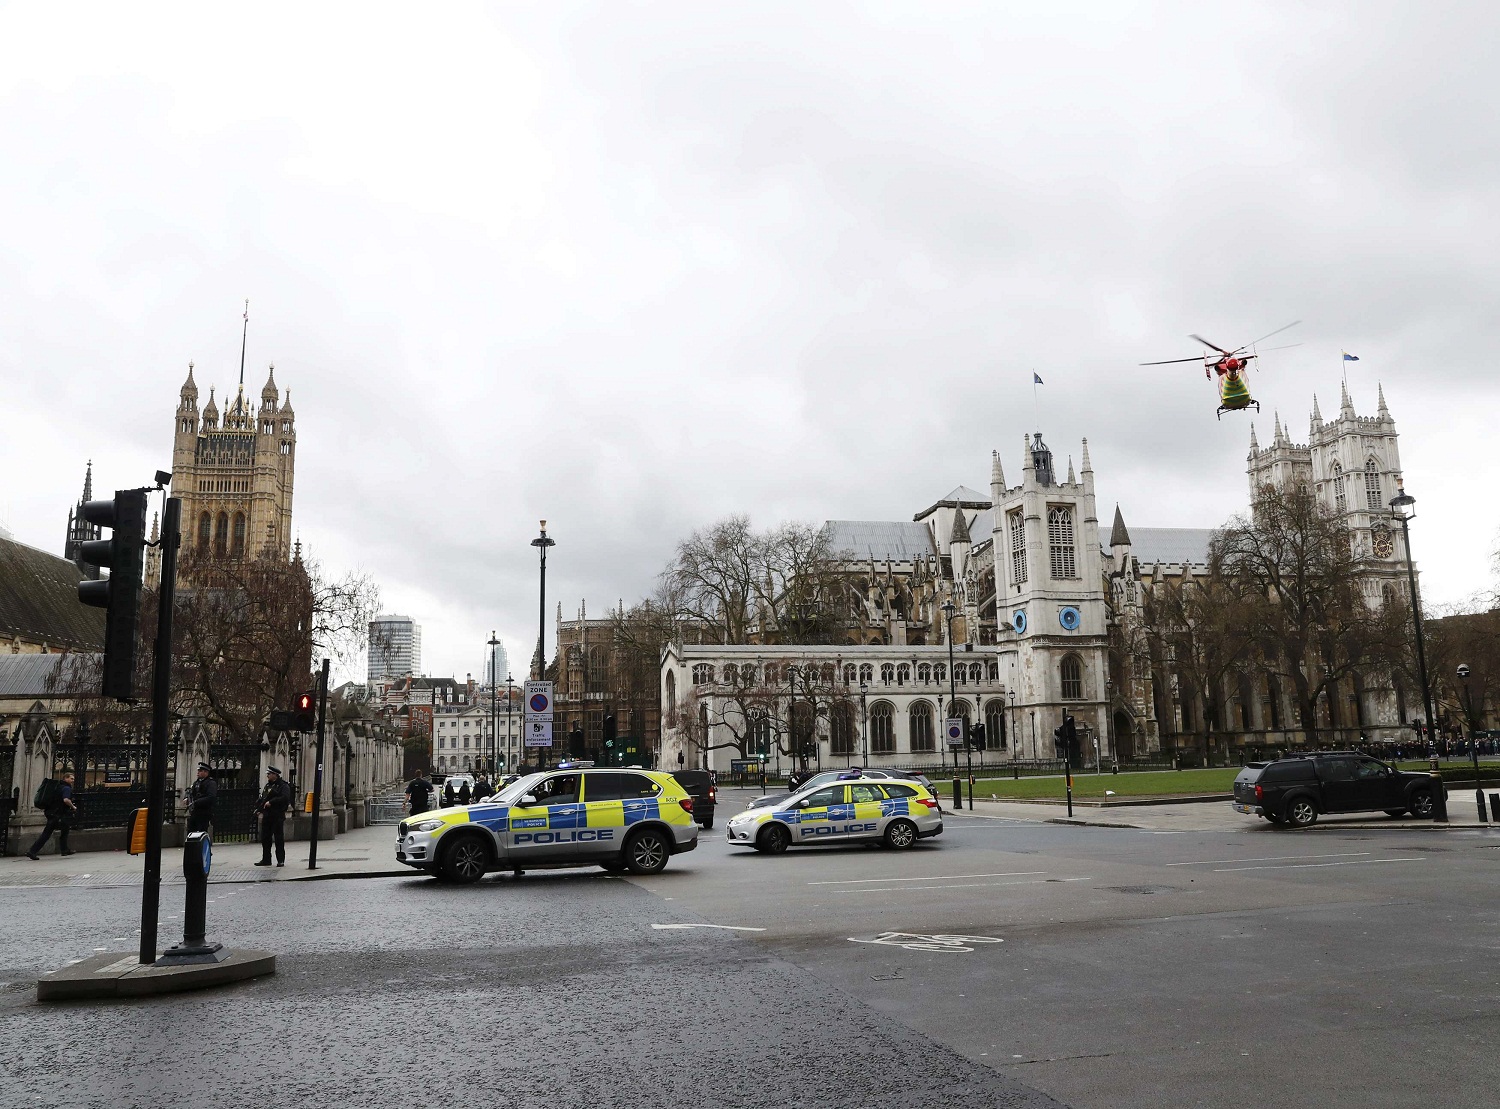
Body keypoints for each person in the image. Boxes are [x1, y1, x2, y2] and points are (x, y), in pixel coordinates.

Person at [27, 772, 76, 859]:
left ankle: (65, 849)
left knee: (65, 828)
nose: (73, 780)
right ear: (65, 778)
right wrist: (73, 806)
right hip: (57, 814)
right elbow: (66, 800)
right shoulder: (66, 788)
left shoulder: (57, 787)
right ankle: (32, 851)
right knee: (47, 833)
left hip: (51, 812)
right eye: (71, 778)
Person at [254, 766, 292, 867]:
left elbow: (285, 798)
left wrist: (271, 802)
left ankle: (280, 860)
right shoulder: (267, 786)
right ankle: (266, 859)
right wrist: (259, 809)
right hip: (267, 815)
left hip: (277, 815)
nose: (267, 776)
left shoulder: (283, 786)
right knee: (265, 839)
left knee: (278, 838)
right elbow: (262, 798)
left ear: (275, 775)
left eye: (269, 774)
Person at [186, 762, 217, 835]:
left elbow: (211, 797)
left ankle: (201, 846)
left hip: (204, 812)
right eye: (198, 771)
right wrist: (187, 798)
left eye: (200, 771)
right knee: (191, 830)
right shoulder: (196, 783)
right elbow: (190, 792)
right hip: (195, 811)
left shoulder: (211, 783)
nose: (198, 773)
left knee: (201, 832)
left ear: (206, 772)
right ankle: (192, 845)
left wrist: (197, 802)